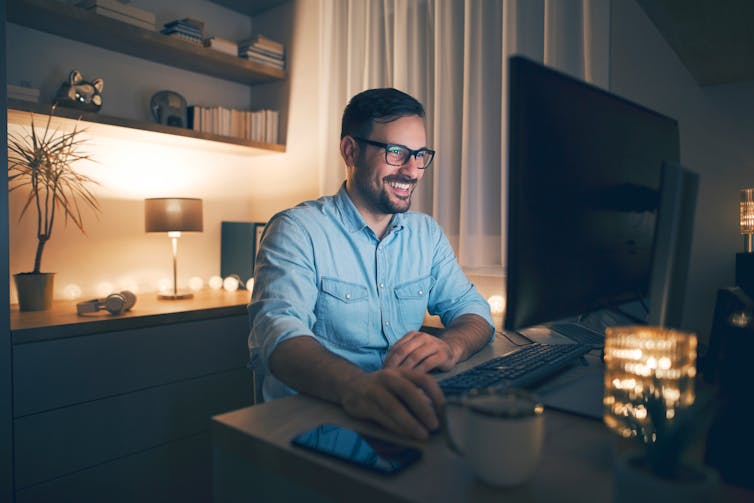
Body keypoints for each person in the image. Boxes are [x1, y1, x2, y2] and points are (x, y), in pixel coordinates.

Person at [248, 88, 494, 440]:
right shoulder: (297, 230)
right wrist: (360, 388)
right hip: (314, 426)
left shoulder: (426, 234)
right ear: (351, 151)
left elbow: (474, 311)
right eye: (396, 153)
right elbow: (279, 337)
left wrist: (451, 346)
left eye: (420, 155)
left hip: (401, 416)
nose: (412, 171)